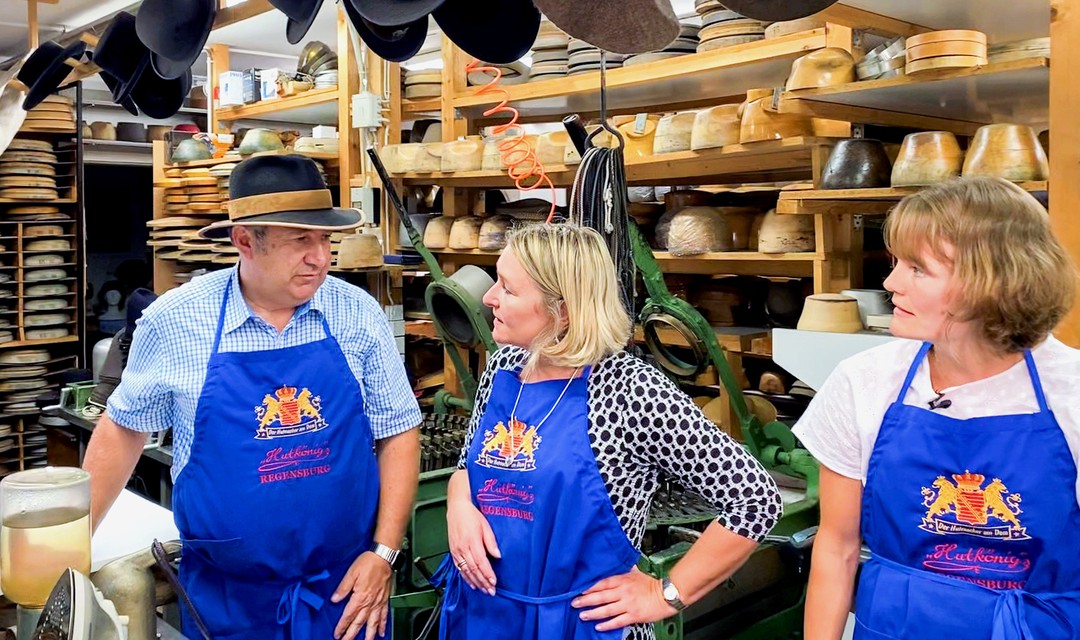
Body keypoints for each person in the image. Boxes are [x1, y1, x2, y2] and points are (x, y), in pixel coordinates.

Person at [82, 154, 422, 640]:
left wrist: (384, 554)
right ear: (244, 240)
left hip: (347, 592)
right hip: (227, 602)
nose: (321, 258)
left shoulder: (356, 313)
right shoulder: (177, 321)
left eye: (326, 239)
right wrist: (73, 546)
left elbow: (398, 430)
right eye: (301, 240)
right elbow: (124, 429)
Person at [432, 223, 783, 639]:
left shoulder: (629, 390)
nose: (488, 298)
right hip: (486, 616)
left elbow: (755, 499)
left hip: (581, 625)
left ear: (561, 309)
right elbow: (468, 464)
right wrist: (459, 505)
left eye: (507, 289)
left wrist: (665, 594)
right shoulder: (504, 365)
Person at [794, 177, 1080, 639]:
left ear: (994, 281)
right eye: (896, 263)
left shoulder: (1072, 391)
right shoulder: (864, 382)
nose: (890, 283)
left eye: (918, 268)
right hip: (894, 627)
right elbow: (837, 547)